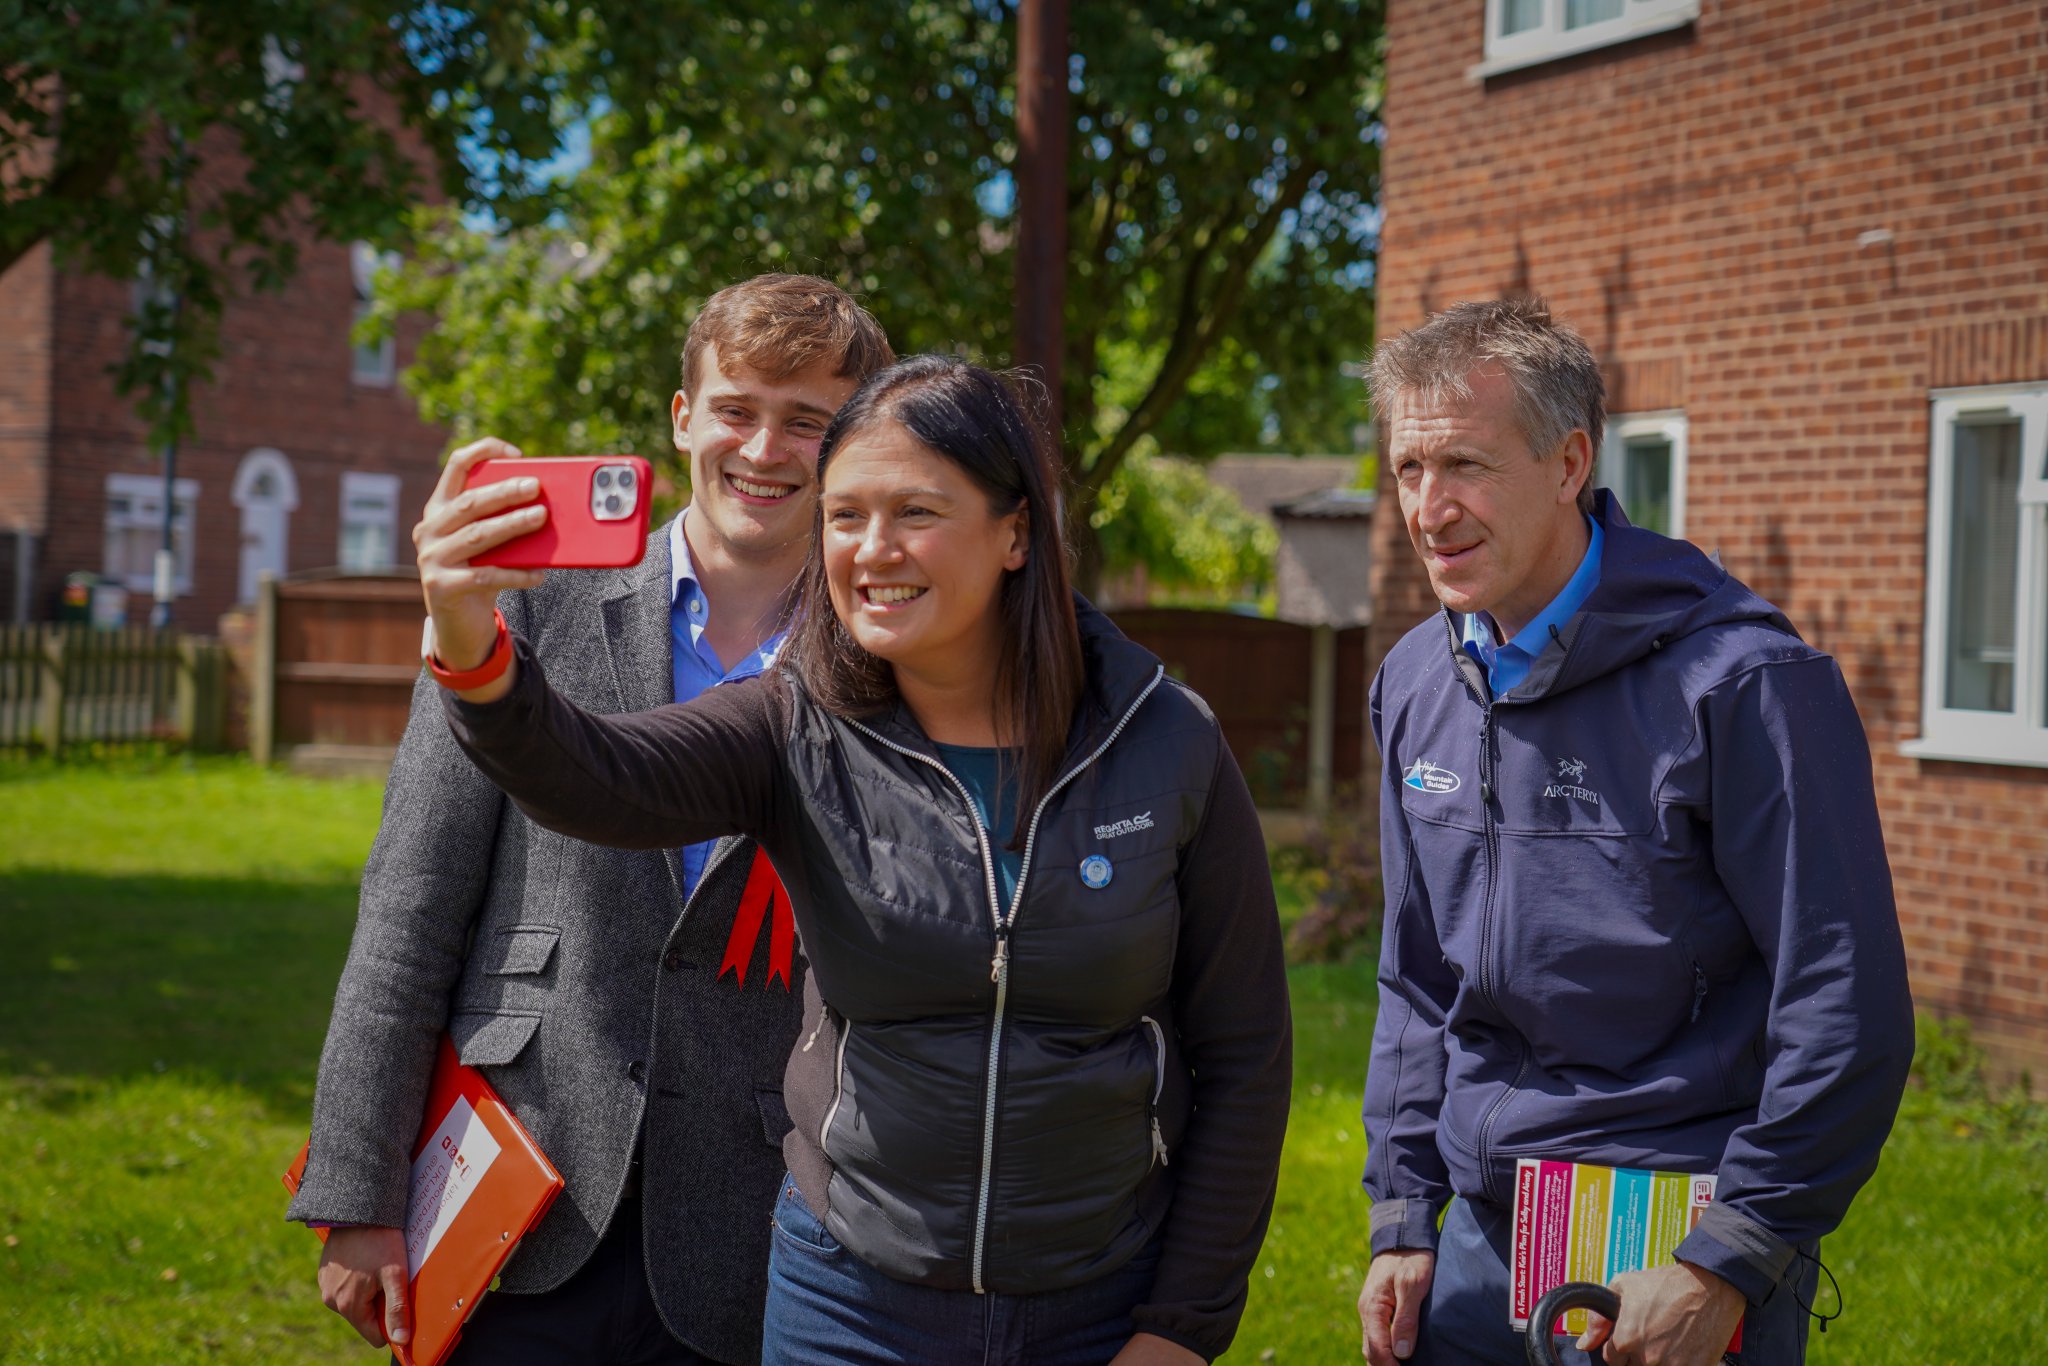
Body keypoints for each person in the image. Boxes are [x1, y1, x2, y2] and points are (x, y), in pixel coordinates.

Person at [414, 355, 1293, 1365]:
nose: (872, 550)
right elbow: (597, 775)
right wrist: (471, 644)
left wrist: (1178, 1328)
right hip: (852, 1311)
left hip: (1097, 1306)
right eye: (843, 515)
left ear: (1014, 531)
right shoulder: (795, 726)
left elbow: (1245, 1056)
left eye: (915, 511)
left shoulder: (1163, 739)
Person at [288, 273, 893, 1365]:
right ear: (681, 419)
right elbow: (411, 902)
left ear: (855, 440)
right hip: (522, 1178)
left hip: (763, 1206)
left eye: (807, 421)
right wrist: (356, 1182)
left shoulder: (887, 663)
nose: (763, 448)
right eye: (736, 409)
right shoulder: (520, 600)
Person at [1352, 298, 1914, 1366]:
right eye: (1407, 470)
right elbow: (1416, 979)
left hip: (1674, 1240)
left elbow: (1843, 1000)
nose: (1428, 508)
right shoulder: (1414, 681)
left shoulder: (1744, 683)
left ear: (1568, 463)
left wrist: (1727, 1253)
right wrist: (1401, 1211)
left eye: (1463, 464)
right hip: (1473, 1229)